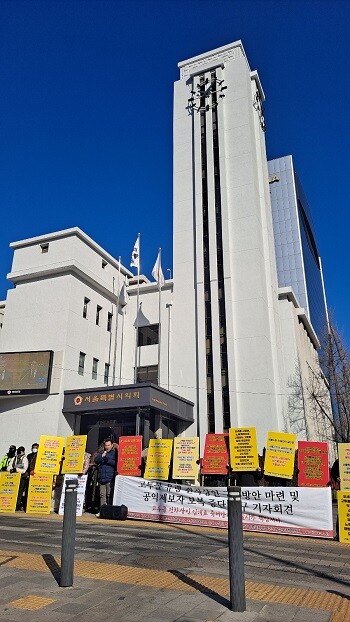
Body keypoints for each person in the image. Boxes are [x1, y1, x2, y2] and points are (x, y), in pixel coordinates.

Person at [94, 438, 116, 516]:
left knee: (109, 494)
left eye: (108, 445)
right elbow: (96, 461)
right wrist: (102, 456)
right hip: (102, 477)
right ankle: (102, 510)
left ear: (112, 445)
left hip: (110, 477)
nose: (107, 447)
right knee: (102, 494)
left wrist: (108, 460)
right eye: (106, 445)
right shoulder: (102, 453)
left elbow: (115, 463)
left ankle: (110, 510)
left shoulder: (114, 453)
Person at [7, 446, 29, 511]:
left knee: (20, 491)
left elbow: (24, 469)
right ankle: (11, 504)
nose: (20, 452)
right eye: (19, 450)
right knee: (12, 491)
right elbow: (9, 466)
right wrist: (11, 469)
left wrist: (16, 469)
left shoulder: (24, 458)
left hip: (21, 477)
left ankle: (17, 505)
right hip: (13, 477)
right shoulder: (14, 458)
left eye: (21, 450)